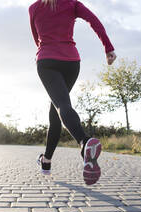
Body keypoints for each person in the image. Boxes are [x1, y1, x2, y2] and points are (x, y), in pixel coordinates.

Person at [29, 0, 116, 185]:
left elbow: (37, 39)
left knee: (62, 105)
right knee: (56, 110)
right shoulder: (72, 3)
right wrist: (108, 48)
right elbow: (94, 21)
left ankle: (84, 142)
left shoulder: (34, 8)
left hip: (47, 61)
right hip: (71, 62)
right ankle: (46, 161)